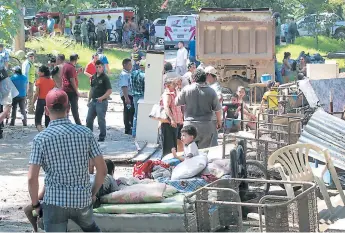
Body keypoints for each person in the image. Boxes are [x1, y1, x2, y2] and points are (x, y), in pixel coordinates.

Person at [28, 88, 107, 232]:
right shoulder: (86, 134)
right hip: (82, 201)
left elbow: (32, 178)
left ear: (46, 110)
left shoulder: (40, 139)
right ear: (69, 108)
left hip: (54, 203)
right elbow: (102, 170)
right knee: (91, 228)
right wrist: (92, 194)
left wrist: (35, 204)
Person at [24, 158, 117, 232]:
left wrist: (37, 206)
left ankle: (35, 230)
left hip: (58, 202)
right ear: (112, 171)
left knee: (28, 209)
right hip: (88, 196)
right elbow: (116, 191)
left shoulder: (85, 176)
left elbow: (39, 194)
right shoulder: (109, 177)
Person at [175, 69, 222, 149]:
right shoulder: (211, 91)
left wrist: (178, 91)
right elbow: (217, 109)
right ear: (205, 78)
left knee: (189, 153)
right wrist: (219, 122)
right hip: (207, 126)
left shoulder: (187, 89)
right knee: (205, 153)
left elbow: (177, 102)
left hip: (189, 126)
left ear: (193, 79)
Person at [86, 60, 112, 142]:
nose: (98, 68)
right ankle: (89, 136)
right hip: (93, 101)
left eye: (99, 67)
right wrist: (88, 100)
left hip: (101, 102)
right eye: (96, 67)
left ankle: (102, 137)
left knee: (100, 120)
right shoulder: (93, 77)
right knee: (89, 119)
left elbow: (109, 91)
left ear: (103, 67)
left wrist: (102, 97)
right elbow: (91, 89)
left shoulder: (105, 77)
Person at [161, 76, 184, 155]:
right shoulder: (167, 94)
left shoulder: (175, 93)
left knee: (174, 145)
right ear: (167, 85)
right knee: (169, 147)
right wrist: (172, 119)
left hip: (176, 122)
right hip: (169, 123)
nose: (176, 86)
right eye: (174, 84)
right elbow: (166, 107)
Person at [61, 54, 82, 125]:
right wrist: (76, 91)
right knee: (74, 109)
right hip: (71, 91)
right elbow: (72, 80)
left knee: (66, 107)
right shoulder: (71, 68)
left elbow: (69, 75)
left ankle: (65, 123)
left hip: (65, 89)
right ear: (75, 60)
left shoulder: (65, 65)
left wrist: (77, 72)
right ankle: (78, 124)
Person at [33, 65, 55, 132]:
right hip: (49, 101)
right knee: (48, 120)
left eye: (39, 71)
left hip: (41, 101)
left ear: (43, 73)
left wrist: (32, 102)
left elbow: (36, 93)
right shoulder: (52, 81)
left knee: (37, 121)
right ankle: (48, 134)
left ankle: (41, 133)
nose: (38, 72)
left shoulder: (39, 80)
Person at [205, 66, 222, 147]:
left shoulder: (215, 87)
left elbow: (218, 100)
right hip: (210, 117)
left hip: (212, 117)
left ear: (209, 75)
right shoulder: (212, 86)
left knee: (212, 142)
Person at [119, 59, 135, 135]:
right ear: (124, 65)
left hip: (129, 95)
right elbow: (124, 86)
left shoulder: (128, 73)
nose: (131, 66)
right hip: (127, 95)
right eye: (129, 64)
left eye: (131, 64)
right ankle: (127, 128)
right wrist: (126, 98)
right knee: (128, 111)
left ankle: (130, 127)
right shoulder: (124, 74)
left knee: (130, 111)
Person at [130, 60, 145, 138]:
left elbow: (130, 84)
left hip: (134, 96)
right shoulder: (145, 75)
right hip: (142, 96)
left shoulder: (133, 73)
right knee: (143, 115)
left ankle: (134, 132)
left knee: (136, 115)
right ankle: (141, 132)